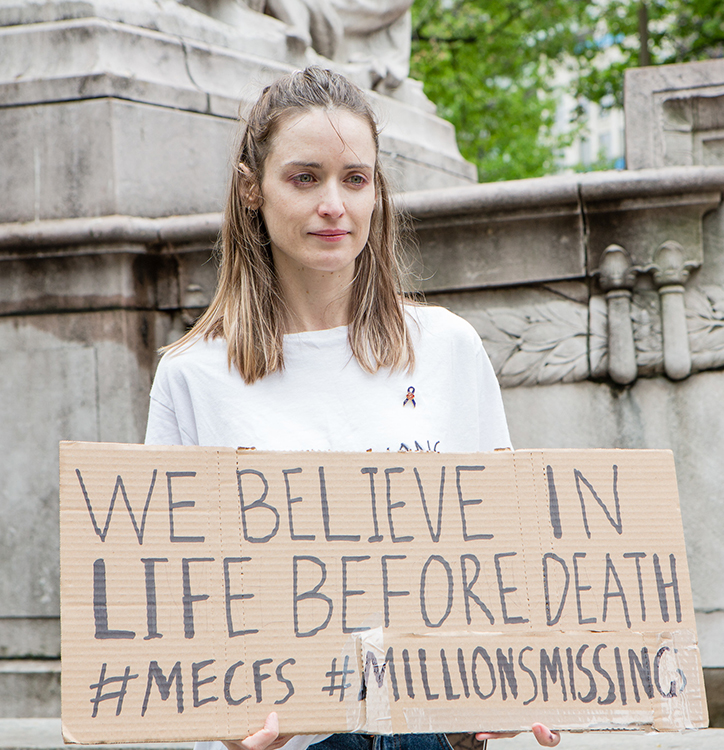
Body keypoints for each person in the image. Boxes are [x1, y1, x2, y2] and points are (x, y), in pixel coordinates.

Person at [145, 66, 561, 750]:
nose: (334, 204)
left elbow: (501, 564)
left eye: (355, 179)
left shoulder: (450, 351)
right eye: (305, 177)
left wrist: (505, 693)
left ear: (377, 191)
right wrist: (223, 736)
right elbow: (171, 610)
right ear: (253, 189)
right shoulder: (193, 377)